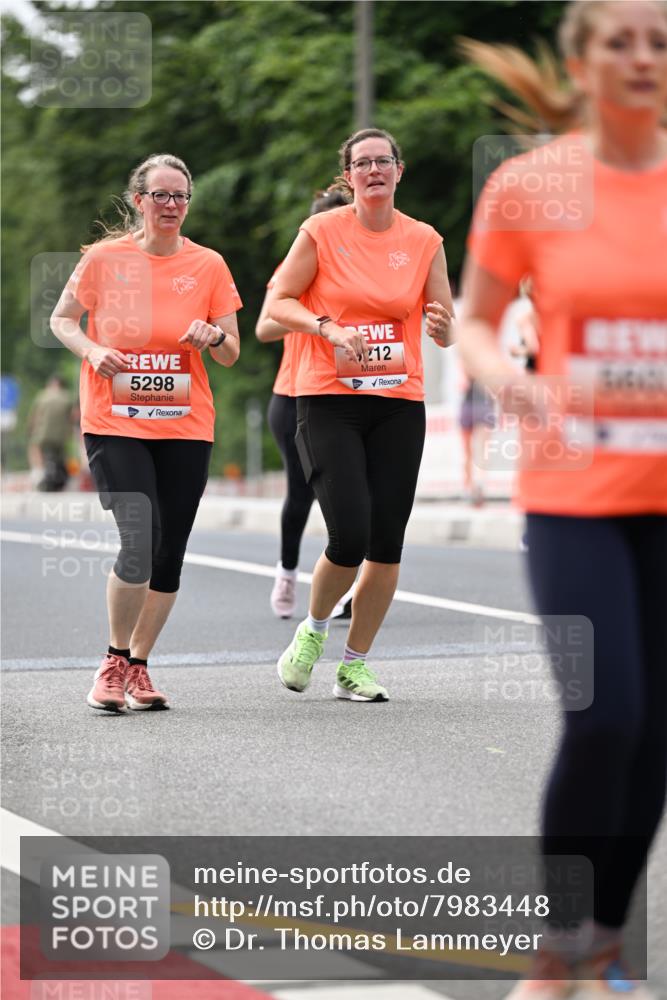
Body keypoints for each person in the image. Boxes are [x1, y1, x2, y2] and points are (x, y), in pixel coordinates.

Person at [457, 2, 667, 996]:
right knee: (604, 717)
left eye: (659, 41)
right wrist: (512, 380)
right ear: (581, 62)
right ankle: (557, 948)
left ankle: (602, 941)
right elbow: (476, 321)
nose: (641, 57)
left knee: (657, 729)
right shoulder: (529, 187)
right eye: (618, 40)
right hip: (573, 489)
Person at [50, 153, 242, 712]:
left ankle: (139, 667)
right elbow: (62, 319)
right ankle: (111, 661)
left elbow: (231, 353)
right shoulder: (106, 259)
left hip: (185, 424)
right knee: (140, 537)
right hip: (114, 419)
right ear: (139, 201)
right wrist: (93, 348)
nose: (171, 206)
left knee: (169, 552)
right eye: (160, 195)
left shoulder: (209, 265)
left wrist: (211, 337)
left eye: (180, 196)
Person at [270, 127, 453, 702]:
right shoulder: (322, 231)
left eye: (384, 161)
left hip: (398, 402)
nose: (374, 170)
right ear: (347, 177)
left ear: (400, 171)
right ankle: (314, 629)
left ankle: (356, 665)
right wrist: (326, 327)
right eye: (363, 163)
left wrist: (444, 328)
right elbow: (278, 303)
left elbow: (442, 319)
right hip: (327, 398)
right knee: (348, 532)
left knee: (387, 542)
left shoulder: (424, 239)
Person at [255, 187, 354, 620]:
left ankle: (347, 585)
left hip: (350, 390)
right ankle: (287, 573)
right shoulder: (294, 266)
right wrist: (317, 323)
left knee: (353, 492)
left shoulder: (363, 266)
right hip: (294, 393)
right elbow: (263, 327)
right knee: (302, 492)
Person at [27, 374, 74, 491]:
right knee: (62, 453)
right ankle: (65, 475)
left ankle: (38, 473)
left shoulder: (42, 396)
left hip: (44, 436)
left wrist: (30, 430)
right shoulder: (67, 397)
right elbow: (73, 417)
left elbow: (34, 416)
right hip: (61, 437)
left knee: (34, 447)